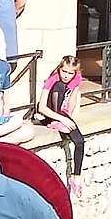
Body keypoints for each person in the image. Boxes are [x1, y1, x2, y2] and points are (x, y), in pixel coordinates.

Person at [37, 55, 84, 196]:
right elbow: (42, 107)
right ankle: (55, 123)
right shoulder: (53, 80)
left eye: (71, 73)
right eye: (64, 72)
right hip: (49, 114)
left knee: (80, 141)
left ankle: (76, 177)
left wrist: (69, 118)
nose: (67, 76)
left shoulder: (76, 79)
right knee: (59, 86)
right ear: (59, 69)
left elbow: (72, 101)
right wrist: (60, 119)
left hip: (62, 114)